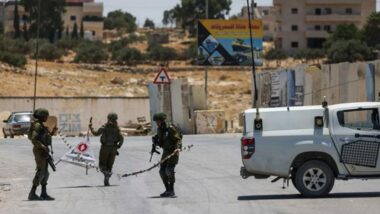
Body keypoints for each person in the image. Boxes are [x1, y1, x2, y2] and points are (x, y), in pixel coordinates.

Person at [28, 108, 56, 201]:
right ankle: (32, 193)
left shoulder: (41, 125)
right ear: (42, 116)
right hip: (39, 151)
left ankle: (43, 193)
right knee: (40, 171)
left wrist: (52, 132)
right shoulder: (37, 125)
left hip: (44, 151)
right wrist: (42, 146)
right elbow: (34, 139)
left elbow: (44, 137)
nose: (47, 118)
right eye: (46, 116)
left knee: (45, 172)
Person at [89, 113, 124, 186]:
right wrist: (118, 146)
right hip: (114, 149)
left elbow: (96, 133)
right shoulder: (117, 128)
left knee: (102, 165)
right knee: (110, 165)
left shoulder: (104, 127)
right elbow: (122, 139)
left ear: (108, 118)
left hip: (105, 148)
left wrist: (91, 127)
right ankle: (107, 176)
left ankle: (106, 174)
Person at [152, 112, 182, 197]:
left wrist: (178, 148)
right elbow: (160, 140)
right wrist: (155, 142)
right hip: (165, 152)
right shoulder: (160, 129)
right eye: (156, 122)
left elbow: (178, 139)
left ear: (162, 121)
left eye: (158, 121)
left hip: (173, 151)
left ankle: (172, 190)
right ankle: (167, 189)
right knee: (162, 171)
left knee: (169, 170)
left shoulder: (170, 128)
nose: (157, 123)